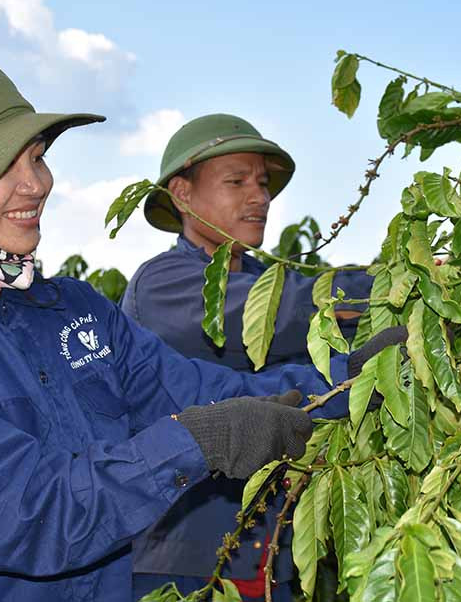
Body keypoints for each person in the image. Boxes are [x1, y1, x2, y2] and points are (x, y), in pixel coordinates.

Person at [0, 55, 399, 602]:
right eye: (3, 167)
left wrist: (357, 380)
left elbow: (206, 393)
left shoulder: (74, 310)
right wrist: (198, 443)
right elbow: (26, 512)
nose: (37, 184)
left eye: (35, 158)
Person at [122, 115, 376, 600]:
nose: (258, 197)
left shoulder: (270, 280)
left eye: (261, 183)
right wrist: (389, 291)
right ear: (182, 194)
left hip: (270, 547)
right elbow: (288, 315)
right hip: (186, 552)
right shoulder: (163, 285)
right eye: (236, 182)